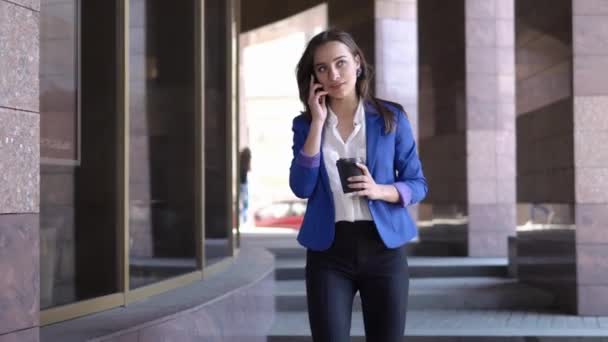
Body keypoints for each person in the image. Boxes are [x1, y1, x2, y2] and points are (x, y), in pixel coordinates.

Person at [289, 29, 428, 342]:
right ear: (314, 77)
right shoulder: (305, 124)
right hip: (329, 252)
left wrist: (380, 190)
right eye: (322, 68)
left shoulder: (391, 117)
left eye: (340, 63)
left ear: (357, 63)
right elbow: (301, 186)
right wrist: (317, 124)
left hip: (383, 249)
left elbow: (418, 184)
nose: (334, 75)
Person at [239, 147, 251, 226]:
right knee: (245, 201)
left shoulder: (241, 161)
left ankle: (244, 218)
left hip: (242, 183)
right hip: (243, 184)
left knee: (244, 201)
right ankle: (244, 218)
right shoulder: (245, 163)